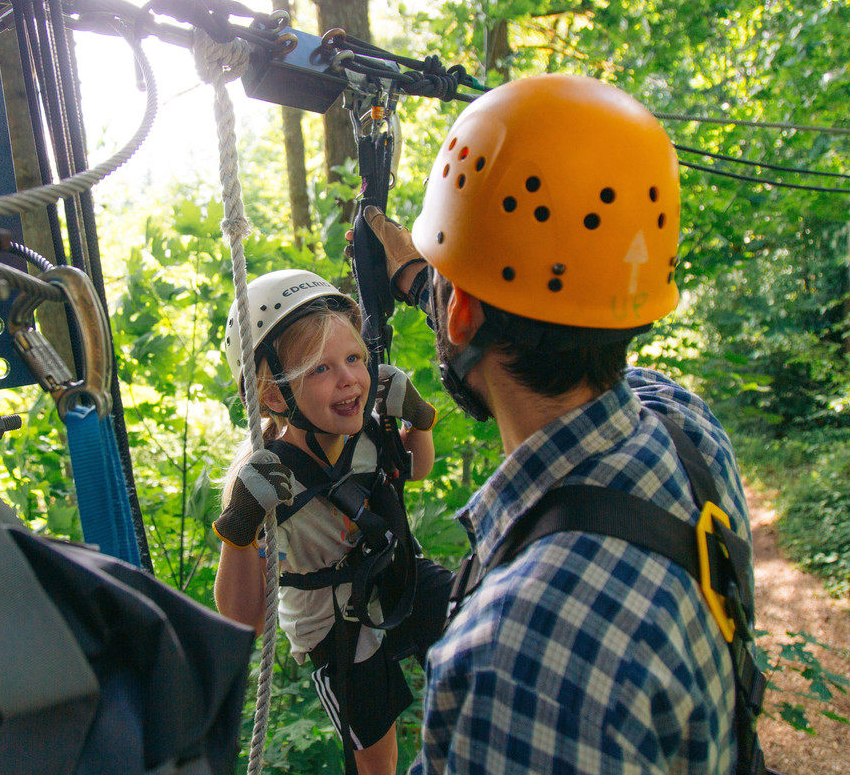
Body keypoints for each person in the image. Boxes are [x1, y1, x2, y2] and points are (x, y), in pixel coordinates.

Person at [362, 74, 763, 774]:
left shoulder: (518, 658)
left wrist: (444, 283)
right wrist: (427, 282)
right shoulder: (681, 422)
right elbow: (521, 310)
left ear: (461, 312)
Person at [212, 269, 454, 775]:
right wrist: (240, 528)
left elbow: (416, 467)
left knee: (471, 623)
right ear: (273, 397)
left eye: (354, 359)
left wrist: (418, 419)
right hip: (332, 622)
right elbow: (243, 619)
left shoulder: (367, 432)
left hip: (394, 573)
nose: (349, 379)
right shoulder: (264, 481)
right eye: (321, 369)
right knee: (377, 754)